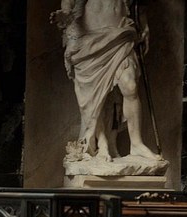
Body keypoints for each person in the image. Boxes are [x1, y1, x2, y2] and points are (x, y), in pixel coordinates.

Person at [51, 0, 162, 162]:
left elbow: (139, 4)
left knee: (130, 86)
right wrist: (65, 15)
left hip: (120, 34)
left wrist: (144, 25)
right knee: (95, 96)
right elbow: (68, 7)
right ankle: (102, 145)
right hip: (90, 40)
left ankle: (137, 144)